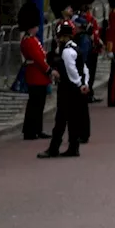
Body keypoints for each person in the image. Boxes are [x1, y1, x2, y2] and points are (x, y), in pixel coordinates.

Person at [38, 19, 88, 159]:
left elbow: (71, 71)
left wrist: (78, 84)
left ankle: (54, 148)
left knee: (60, 120)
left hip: (67, 89)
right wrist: (84, 84)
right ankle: (73, 147)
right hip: (75, 90)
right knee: (73, 120)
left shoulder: (66, 51)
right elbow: (84, 68)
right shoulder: (75, 48)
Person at [18, 3, 52, 140]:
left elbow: (42, 55)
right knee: (35, 104)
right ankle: (30, 130)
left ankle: (37, 129)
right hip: (36, 75)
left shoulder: (32, 39)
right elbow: (38, 59)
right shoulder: (29, 41)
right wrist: (49, 70)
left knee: (38, 104)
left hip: (38, 75)